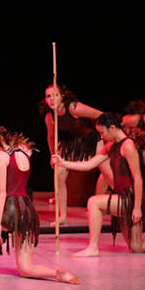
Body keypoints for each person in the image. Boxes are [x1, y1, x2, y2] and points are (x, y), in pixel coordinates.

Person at [0, 125, 80, 284]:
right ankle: (57, 274)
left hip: (9, 210)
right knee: (25, 268)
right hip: (26, 212)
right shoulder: (22, 153)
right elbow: (13, 175)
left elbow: (1, 192)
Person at [53, 113, 145, 257]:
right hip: (122, 198)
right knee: (137, 246)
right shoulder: (111, 146)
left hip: (131, 199)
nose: (101, 136)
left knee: (93, 202)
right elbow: (90, 164)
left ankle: (93, 247)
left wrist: (136, 208)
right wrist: (63, 162)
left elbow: (138, 178)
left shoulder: (128, 146)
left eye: (102, 132)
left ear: (112, 128)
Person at [40, 84, 104, 225]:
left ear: (62, 96)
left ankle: (123, 201)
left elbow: (100, 115)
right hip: (71, 142)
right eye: (48, 96)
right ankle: (62, 216)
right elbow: (51, 137)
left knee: (106, 170)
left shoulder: (73, 107)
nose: (51, 99)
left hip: (91, 138)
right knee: (59, 175)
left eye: (55, 95)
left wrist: (104, 133)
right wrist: (53, 156)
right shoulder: (50, 117)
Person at [114, 97, 145, 213]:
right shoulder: (135, 119)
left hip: (140, 146)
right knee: (110, 169)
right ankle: (100, 199)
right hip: (126, 145)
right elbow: (117, 124)